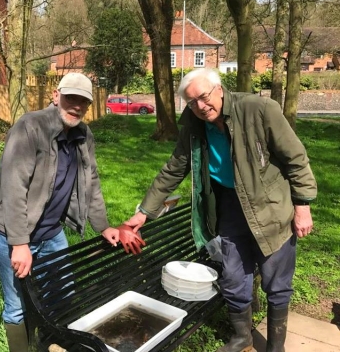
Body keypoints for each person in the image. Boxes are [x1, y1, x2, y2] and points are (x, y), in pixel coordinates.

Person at [124, 68, 317, 352]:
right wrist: (143, 212)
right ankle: (243, 336)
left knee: (276, 282)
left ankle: (276, 346)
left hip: (270, 209)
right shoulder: (193, 125)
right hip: (228, 208)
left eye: (203, 97)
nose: (201, 107)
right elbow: (173, 169)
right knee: (234, 276)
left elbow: (296, 158)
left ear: (219, 89)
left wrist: (302, 207)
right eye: (192, 102)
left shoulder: (260, 109)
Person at [0, 72, 120, 352]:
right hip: (13, 232)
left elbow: (91, 183)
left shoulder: (83, 135)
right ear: (56, 95)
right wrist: (20, 243)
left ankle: (50, 345)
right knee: (17, 306)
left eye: (83, 101)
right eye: (71, 97)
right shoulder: (30, 127)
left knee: (63, 294)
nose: (76, 106)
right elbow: (13, 186)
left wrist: (104, 226)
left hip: (52, 233)